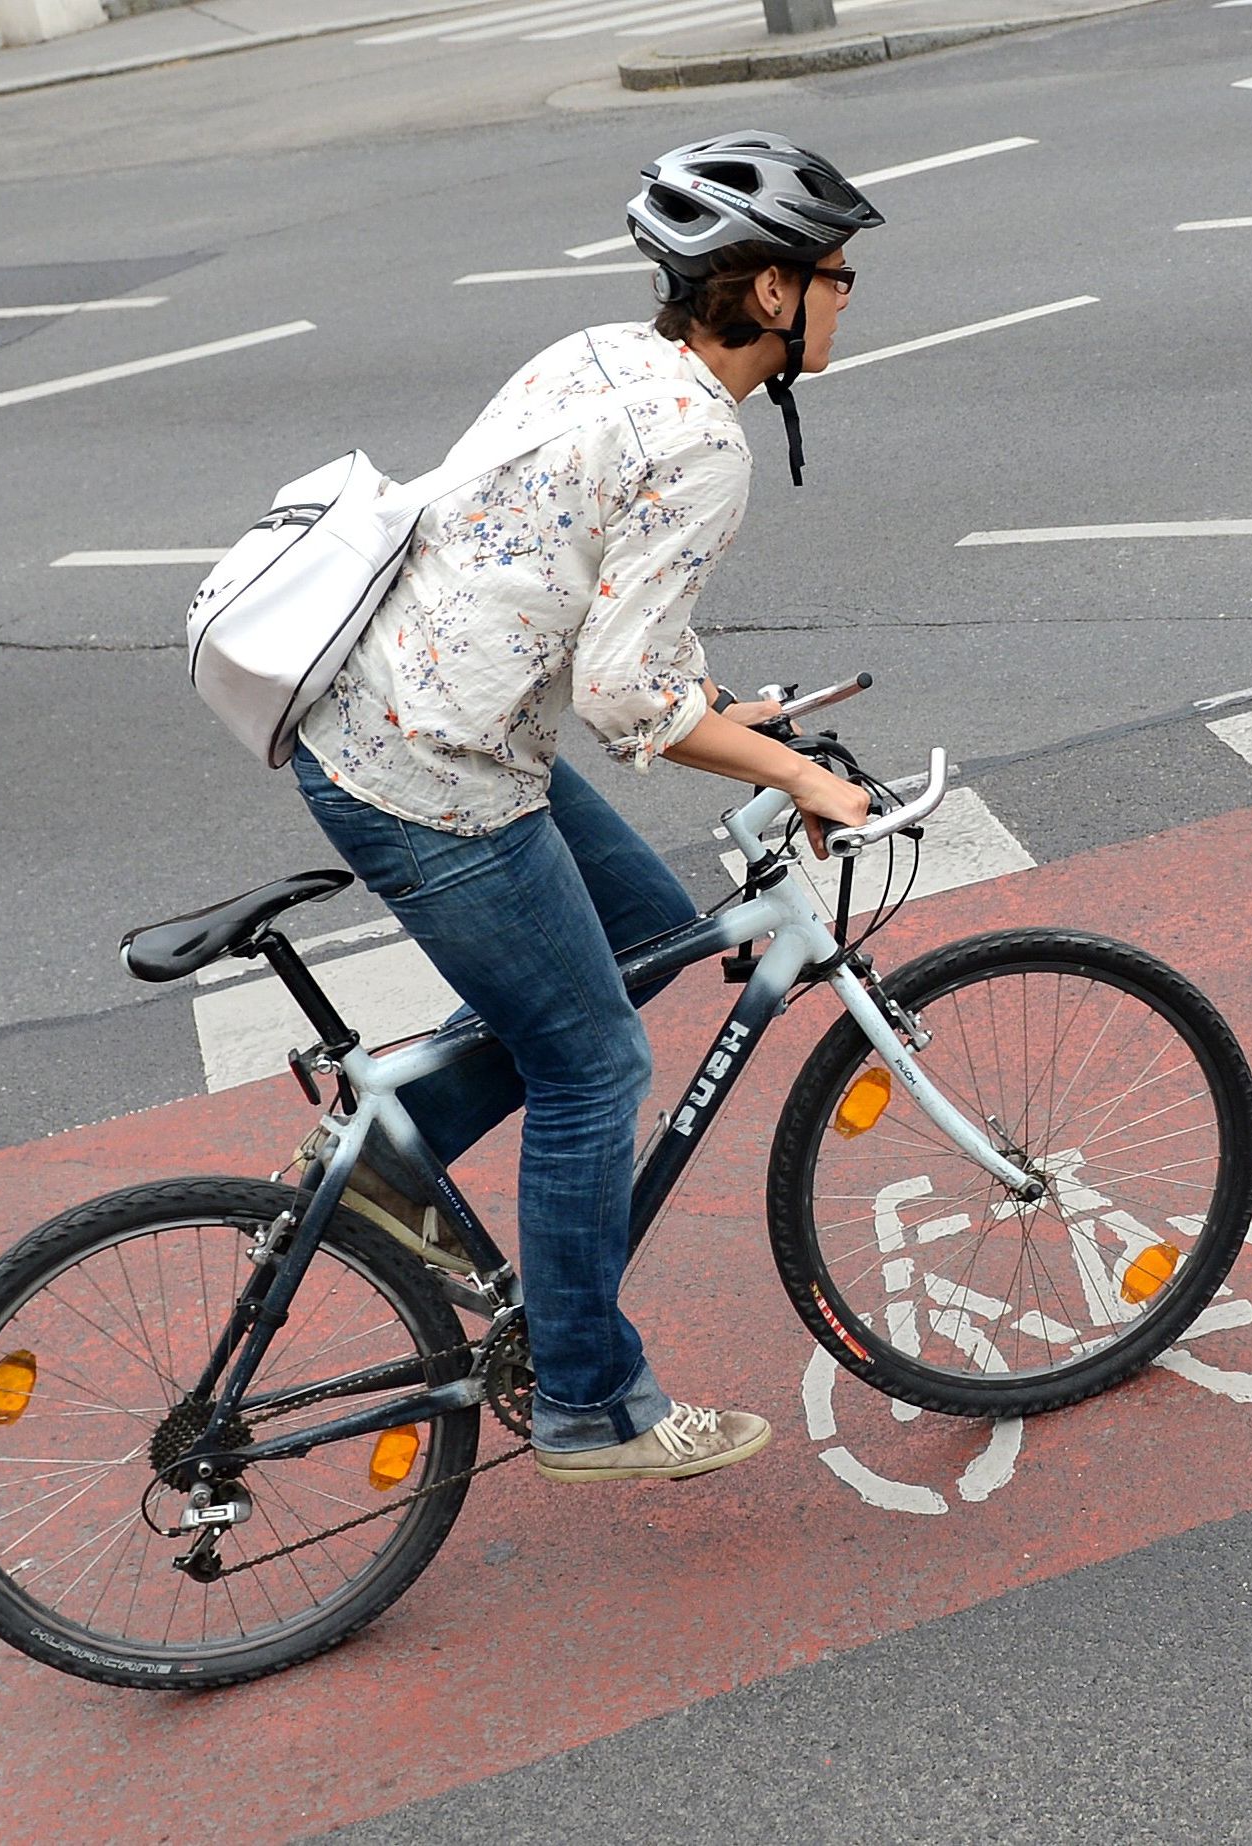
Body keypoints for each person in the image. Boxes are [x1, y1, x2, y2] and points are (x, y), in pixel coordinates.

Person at [290, 132, 881, 1485]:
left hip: (408, 707)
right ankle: (588, 1401)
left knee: (646, 923)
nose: (851, 297)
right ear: (775, 294)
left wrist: (722, 703)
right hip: (431, 770)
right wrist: (792, 776)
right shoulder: (704, 444)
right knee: (593, 1064)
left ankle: (389, 1172)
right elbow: (626, 705)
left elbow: (543, 575)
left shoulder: (601, 352)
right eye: (839, 275)